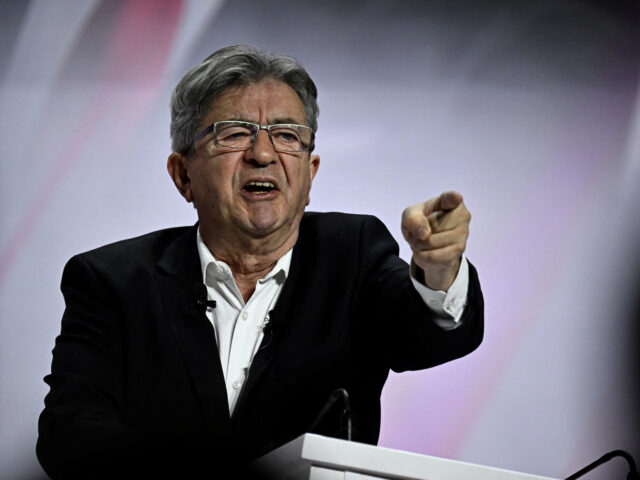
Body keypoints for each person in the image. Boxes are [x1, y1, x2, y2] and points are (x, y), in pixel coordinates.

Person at [36, 45, 483, 479]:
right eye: (233, 133)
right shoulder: (112, 280)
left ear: (311, 174)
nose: (263, 154)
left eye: (287, 135)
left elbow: (424, 337)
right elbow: (69, 430)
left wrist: (437, 271)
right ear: (182, 174)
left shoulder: (354, 255)